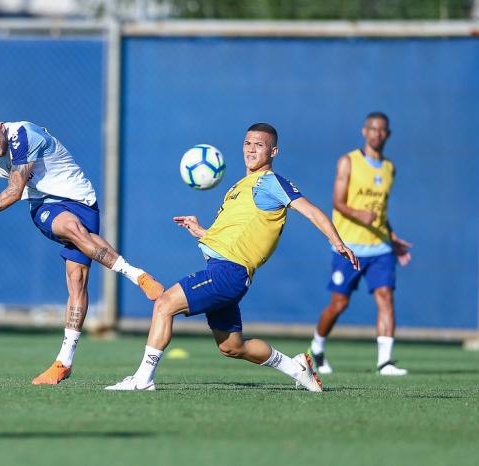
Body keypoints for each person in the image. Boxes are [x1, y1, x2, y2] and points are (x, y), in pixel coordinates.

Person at [105, 123, 359, 391]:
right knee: (232, 347)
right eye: (248, 143)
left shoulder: (271, 182)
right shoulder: (238, 187)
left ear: (274, 151)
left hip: (229, 272)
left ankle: (142, 380)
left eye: (259, 145)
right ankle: (296, 367)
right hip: (225, 269)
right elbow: (234, 233)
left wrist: (337, 242)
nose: (251, 149)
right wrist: (201, 231)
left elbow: (311, 211)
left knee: (164, 304)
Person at [0, 109, 164, 385]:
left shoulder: (22, 136)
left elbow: (14, 191)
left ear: (2, 127)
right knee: (70, 230)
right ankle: (137, 276)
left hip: (81, 200)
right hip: (45, 205)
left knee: (77, 282)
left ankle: (64, 362)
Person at [307, 112, 412, 376]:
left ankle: (385, 362)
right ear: (364, 132)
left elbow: (381, 211)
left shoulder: (390, 169)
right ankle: (317, 347)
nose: (377, 134)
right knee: (339, 304)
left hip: (380, 248)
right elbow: (337, 202)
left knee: (386, 298)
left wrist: (392, 236)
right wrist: (359, 214)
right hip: (349, 247)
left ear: (387, 134)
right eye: (372, 129)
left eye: (382, 130)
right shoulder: (349, 162)